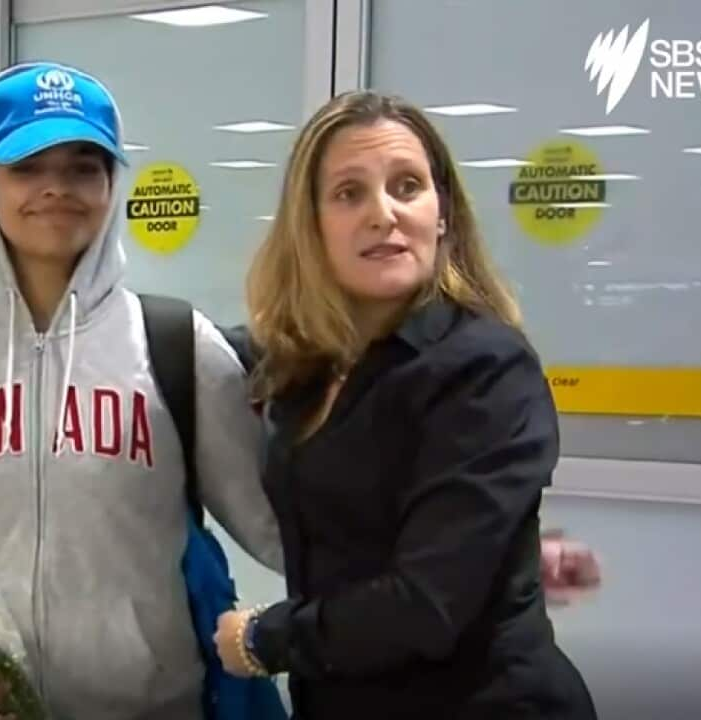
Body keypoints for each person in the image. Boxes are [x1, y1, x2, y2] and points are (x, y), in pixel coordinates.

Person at [0, 62, 284, 720]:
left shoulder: (178, 346)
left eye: (83, 166)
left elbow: (281, 531)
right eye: (26, 166)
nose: (57, 189)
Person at [212, 90, 597, 718]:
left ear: (442, 213)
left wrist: (263, 639)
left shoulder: (483, 368)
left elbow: (426, 605)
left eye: (407, 186)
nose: (383, 214)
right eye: (348, 193)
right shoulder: (307, 364)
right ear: (311, 226)